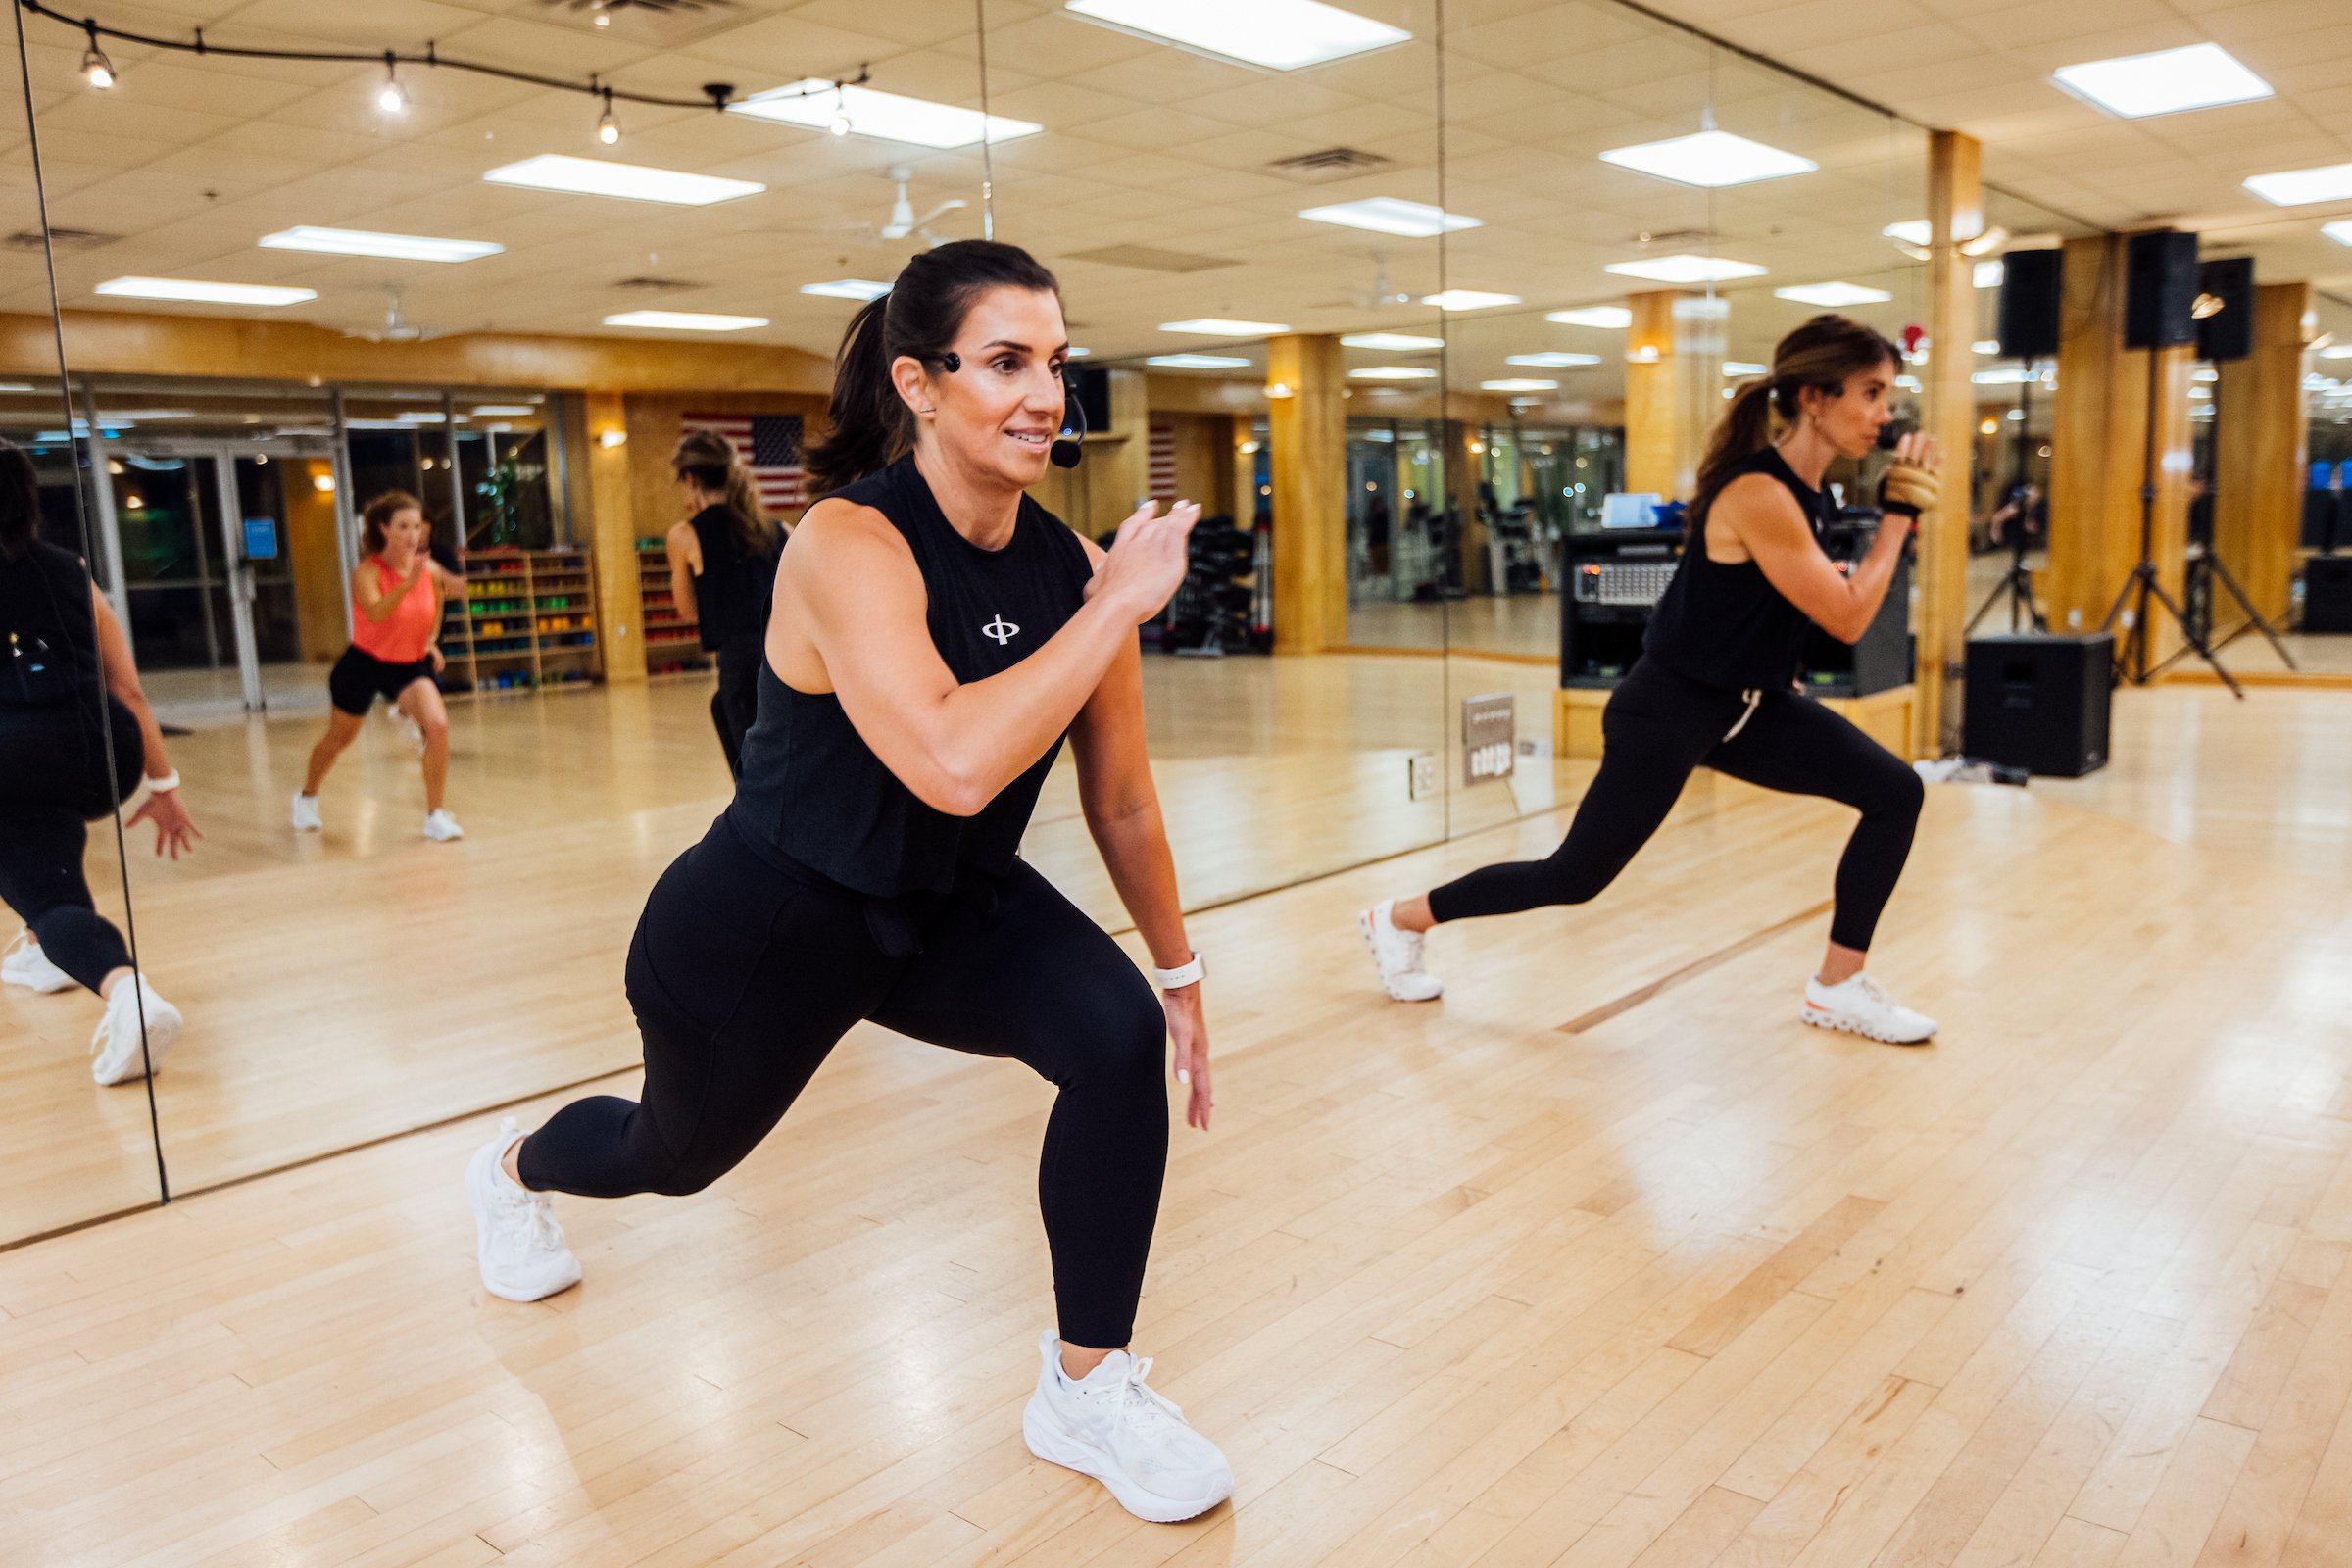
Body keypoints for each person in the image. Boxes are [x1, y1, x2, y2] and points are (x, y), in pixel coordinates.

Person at [462, 240, 1235, 1524]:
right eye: (1004, 363)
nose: (1044, 394)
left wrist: (1181, 971)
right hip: (770, 920)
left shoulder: (1066, 568)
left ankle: (1084, 1390)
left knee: (1111, 1038)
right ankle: (512, 1168)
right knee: (674, 1156)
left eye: (1055, 362)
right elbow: (947, 762)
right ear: (919, 385)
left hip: (941, 908)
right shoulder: (848, 543)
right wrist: (1115, 609)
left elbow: (1122, 796)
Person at [1359, 315, 1941, 1046]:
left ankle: (1837, 986)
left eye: (1887, 395)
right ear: (1814, 398)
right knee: (1575, 875)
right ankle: (1399, 917)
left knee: (1894, 791)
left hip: (1748, 707)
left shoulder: (1813, 496)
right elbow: (1849, 618)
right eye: (1871, 393)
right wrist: (1898, 517)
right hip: (1668, 710)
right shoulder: (1759, 492)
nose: (1885, 415)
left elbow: (1778, 610)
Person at [0, 439, 202, 1085]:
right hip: (98, 750)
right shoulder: (69, 568)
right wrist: (162, 783)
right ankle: (43, 951)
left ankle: (123, 989)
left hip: (15, 757)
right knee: (49, 863)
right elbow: (128, 688)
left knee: (43, 890)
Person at [292, 491, 466, 841]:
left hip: (408, 665)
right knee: (340, 738)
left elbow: (444, 602)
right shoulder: (367, 572)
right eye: (403, 526)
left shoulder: (428, 570)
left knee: (438, 725)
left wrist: (431, 640)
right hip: (365, 662)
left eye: (417, 527)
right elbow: (376, 613)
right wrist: (406, 583)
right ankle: (307, 796)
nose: (412, 535)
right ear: (384, 529)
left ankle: (435, 815)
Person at [665, 429, 785, 778]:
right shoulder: (779, 529)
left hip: (740, 666)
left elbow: (687, 609)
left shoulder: (685, 535)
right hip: (785, 658)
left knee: (754, 778)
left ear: (691, 479)